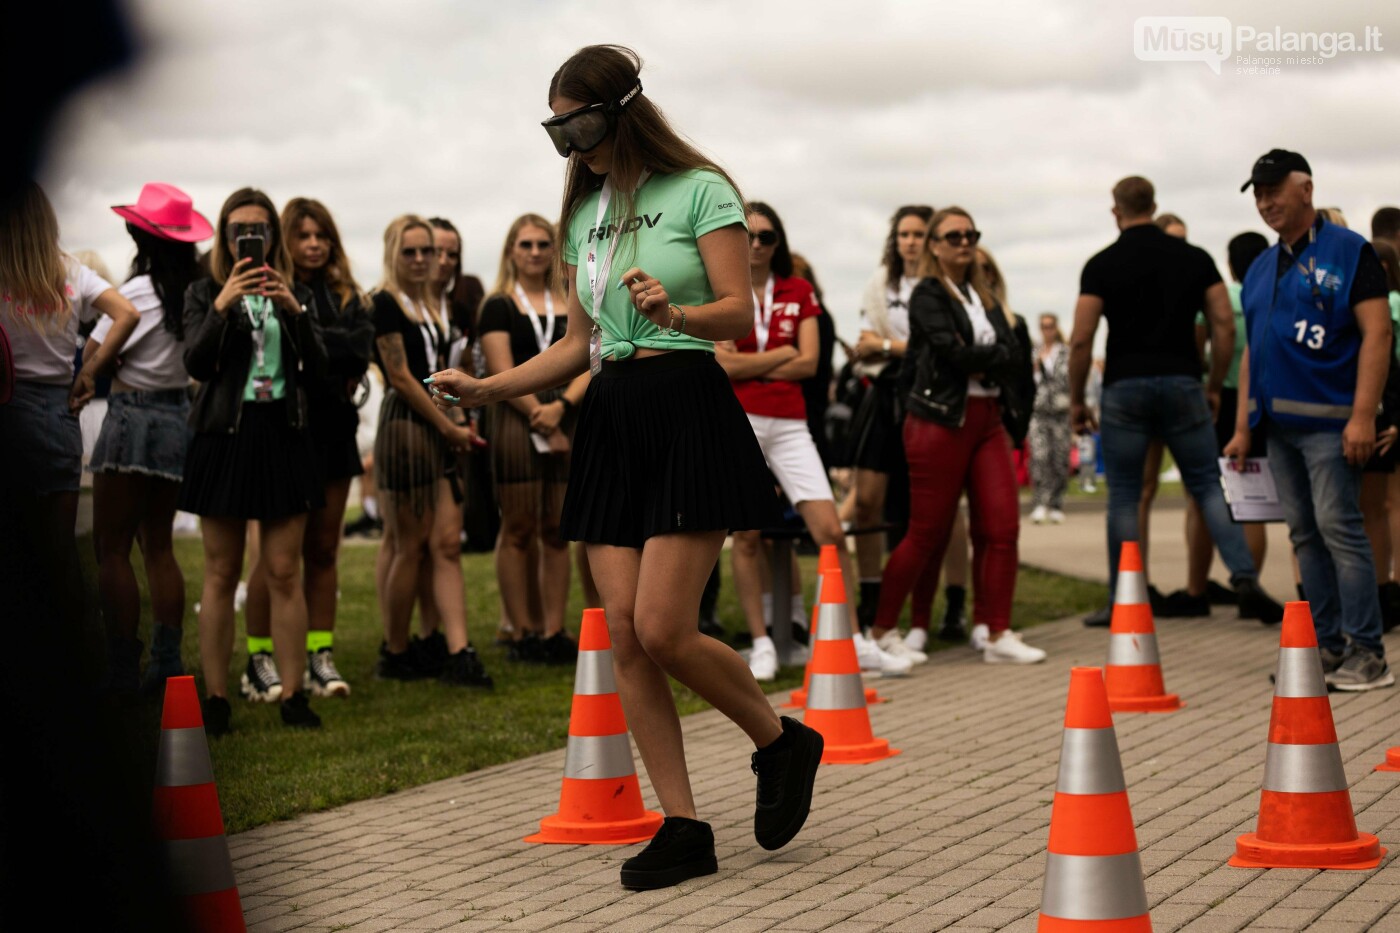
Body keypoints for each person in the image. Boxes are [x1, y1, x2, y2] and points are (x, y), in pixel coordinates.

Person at [427, 44, 822, 890]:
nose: (567, 140)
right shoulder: (585, 214)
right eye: (555, 126)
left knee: (664, 627)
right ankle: (683, 824)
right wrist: (487, 385)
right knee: (626, 643)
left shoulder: (701, 187)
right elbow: (576, 344)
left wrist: (673, 310)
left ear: (618, 109)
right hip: (611, 412)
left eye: (576, 120)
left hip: (686, 404)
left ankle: (782, 740)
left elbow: (738, 317)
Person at [1069, 176, 1283, 629]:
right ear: (1154, 204)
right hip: (1184, 381)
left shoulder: (1101, 264)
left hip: (1125, 387)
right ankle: (1244, 577)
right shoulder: (1195, 259)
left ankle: (1122, 599)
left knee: (1126, 495)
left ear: (1116, 210)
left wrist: (1075, 400)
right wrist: (1210, 382)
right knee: (1207, 485)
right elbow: (1223, 324)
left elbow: (1082, 339)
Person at [716, 201, 913, 680]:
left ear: (779, 243)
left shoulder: (798, 289)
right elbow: (721, 364)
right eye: (750, 235)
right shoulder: (720, 287)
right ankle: (763, 643)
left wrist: (758, 361)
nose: (758, 245)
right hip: (738, 420)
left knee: (829, 531)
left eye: (767, 237)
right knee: (746, 536)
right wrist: (779, 354)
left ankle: (854, 639)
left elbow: (808, 364)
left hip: (789, 424)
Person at [1226, 150, 1394, 690]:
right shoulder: (1259, 267)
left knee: (1341, 531)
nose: (1266, 202)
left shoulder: (1349, 251)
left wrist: (1363, 415)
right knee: (1304, 536)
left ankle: (1368, 651)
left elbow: (1378, 333)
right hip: (1277, 428)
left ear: (1307, 189)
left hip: (1332, 425)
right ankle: (1326, 647)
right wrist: (1243, 427)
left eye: (1275, 190)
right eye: (1258, 193)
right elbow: (1254, 351)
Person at [867, 207, 1045, 664]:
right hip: (938, 419)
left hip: (987, 418)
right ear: (935, 245)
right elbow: (952, 354)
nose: (964, 242)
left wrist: (984, 356)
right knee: (927, 532)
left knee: (1002, 527)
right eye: (954, 236)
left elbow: (1012, 351)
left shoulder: (981, 295)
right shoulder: (928, 293)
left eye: (971, 234)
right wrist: (991, 355)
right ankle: (882, 630)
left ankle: (997, 633)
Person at [178, 187, 326, 733]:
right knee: (221, 572)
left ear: (273, 235)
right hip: (223, 435)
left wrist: (295, 310)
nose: (251, 238)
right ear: (224, 236)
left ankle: (293, 695)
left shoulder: (293, 290)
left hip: (282, 433)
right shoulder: (203, 292)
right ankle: (216, 697)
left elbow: (322, 367)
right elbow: (194, 360)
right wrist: (222, 306)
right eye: (240, 229)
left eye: (260, 229)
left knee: (285, 571)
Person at [0, 181, 139, 677]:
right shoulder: (71, 272)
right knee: (61, 551)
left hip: (10, 406)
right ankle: (70, 663)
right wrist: (91, 369)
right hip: (61, 412)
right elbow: (128, 313)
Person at [243, 197, 374, 700]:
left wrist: (318, 344)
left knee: (323, 550)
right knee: (275, 558)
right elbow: (309, 357)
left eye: (322, 236)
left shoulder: (350, 296)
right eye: (303, 236)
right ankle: (258, 657)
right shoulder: (265, 291)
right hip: (282, 433)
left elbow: (353, 353)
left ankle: (321, 653)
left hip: (334, 433)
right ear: (284, 241)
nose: (314, 245)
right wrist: (323, 347)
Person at [86, 183, 208, 694]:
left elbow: (97, 357)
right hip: (177, 416)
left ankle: (120, 668)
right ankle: (166, 662)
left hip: (132, 415)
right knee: (160, 547)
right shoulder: (197, 295)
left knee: (111, 549)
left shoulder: (135, 294)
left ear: (142, 234)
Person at [370, 214, 492, 687]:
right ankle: (396, 648)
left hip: (439, 427)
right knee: (409, 546)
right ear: (393, 253)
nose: (423, 260)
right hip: (406, 428)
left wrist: (456, 421)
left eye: (429, 251)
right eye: (411, 251)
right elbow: (399, 376)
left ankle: (458, 649)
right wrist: (448, 425)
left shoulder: (434, 303)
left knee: (444, 543)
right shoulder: (383, 301)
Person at [478, 213, 587, 665]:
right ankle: (520, 630)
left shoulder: (573, 298)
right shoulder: (498, 304)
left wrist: (560, 410)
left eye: (544, 244)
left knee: (558, 529)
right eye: (526, 244)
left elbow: (590, 354)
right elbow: (500, 370)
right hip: (516, 417)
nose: (536, 252)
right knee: (519, 527)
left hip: (568, 413)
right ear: (511, 251)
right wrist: (539, 413)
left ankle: (553, 629)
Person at [849, 206, 932, 636]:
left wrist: (887, 344)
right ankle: (870, 597)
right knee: (866, 503)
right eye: (904, 234)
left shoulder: (941, 284)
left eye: (919, 233)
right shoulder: (881, 283)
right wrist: (896, 346)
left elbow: (936, 347)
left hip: (930, 396)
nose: (911, 241)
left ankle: (943, 605)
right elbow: (865, 345)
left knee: (932, 509)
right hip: (884, 393)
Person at [1029, 313, 1071, 525]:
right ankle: (1040, 503)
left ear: (1056, 327)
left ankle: (1056, 503)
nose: (1047, 330)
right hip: (1038, 411)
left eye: (1051, 326)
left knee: (1060, 458)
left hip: (1061, 412)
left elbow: (1070, 379)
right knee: (1039, 456)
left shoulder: (1065, 353)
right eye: (1043, 326)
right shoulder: (1034, 352)